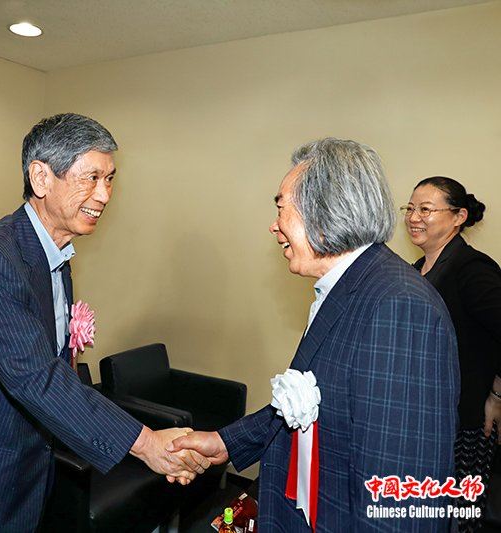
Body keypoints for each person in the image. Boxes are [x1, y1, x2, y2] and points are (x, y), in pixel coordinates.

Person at [0, 113, 209, 531]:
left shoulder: (56, 257)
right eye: (92, 178)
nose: (104, 194)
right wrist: (147, 443)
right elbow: (39, 379)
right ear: (41, 178)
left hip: (24, 474)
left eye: (110, 179)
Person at [170, 138, 459, 531]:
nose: (274, 226)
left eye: (281, 208)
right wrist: (224, 442)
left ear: (323, 212)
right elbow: (314, 404)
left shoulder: (399, 307)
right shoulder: (348, 286)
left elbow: (399, 498)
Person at [402, 176, 501, 530]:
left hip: (465, 422)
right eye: (410, 208)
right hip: (425, 418)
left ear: (459, 217)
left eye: (426, 209)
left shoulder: (472, 269)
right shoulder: (415, 270)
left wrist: (497, 395)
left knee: (458, 516)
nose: (414, 217)